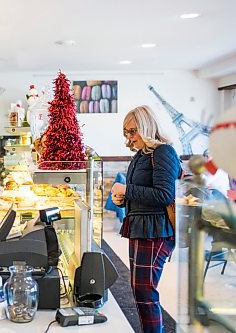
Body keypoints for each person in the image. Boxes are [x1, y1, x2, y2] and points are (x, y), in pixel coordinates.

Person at [111, 105, 182, 333]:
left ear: (146, 126)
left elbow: (164, 195)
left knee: (144, 290)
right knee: (140, 290)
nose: (130, 138)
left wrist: (126, 189)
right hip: (141, 227)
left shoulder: (163, 152)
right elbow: (140, 192)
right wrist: (123, 199)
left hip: (157, 229)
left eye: (133, 131)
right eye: (126, 133)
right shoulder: (141, 155)